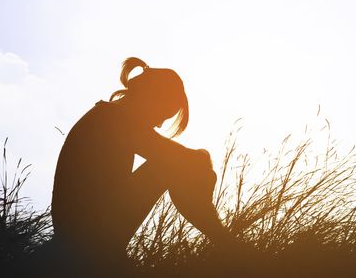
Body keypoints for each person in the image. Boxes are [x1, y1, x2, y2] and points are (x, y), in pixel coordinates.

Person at [51, 57, 234, 273]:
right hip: (86, 234)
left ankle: (226, 243)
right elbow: (180, 158)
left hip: (86, 229)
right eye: (162, 114)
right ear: (151, 99)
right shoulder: (113, 118)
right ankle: (228, 245)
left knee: (177, 165)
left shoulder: (109, 115)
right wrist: (202, 164)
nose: (159, 124)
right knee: (172, 166)